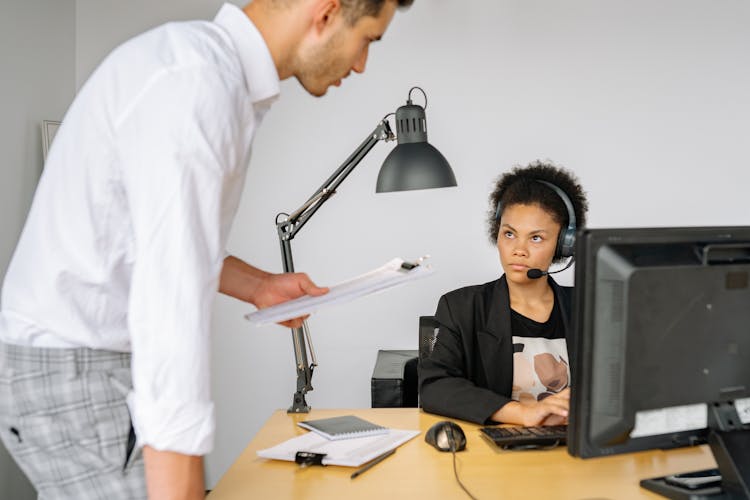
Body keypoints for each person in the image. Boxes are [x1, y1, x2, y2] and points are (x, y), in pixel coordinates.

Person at [0, 0, 413, 498]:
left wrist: (258, 285)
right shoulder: (197, 86)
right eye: (368, 38)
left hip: (74, 355)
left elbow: (160, 237)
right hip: (73, 362)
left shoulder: (208, 73)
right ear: (325, 13)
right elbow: (169, 311)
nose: (363, 63)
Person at [419, 161, 588, 426]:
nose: (518, 249)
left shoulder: (590, 307)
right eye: (509, 234)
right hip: (497, 456)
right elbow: (434, 387)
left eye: (536, 238)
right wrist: (523, 413)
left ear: (562, 244)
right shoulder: (462, 307)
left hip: (572, 451)